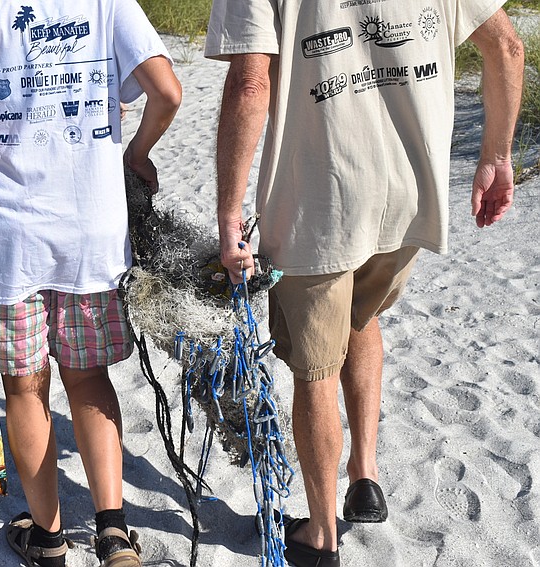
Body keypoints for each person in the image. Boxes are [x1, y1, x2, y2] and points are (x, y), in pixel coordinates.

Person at [205, 2, 523, 566]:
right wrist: (496, 156)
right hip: (409, 192)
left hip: (319, 198)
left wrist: (230, 213)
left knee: (315, 368)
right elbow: (506, 47)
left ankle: (321, 533)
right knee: (358, 315)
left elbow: (252, 83)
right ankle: (364, 472)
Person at [0, 1, 181, 566]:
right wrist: (137, 152)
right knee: (89, 380)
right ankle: (112, 535)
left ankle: (50, 539)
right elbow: (167, 93)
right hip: (91, 227)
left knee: (25, 390)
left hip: (5, 235)